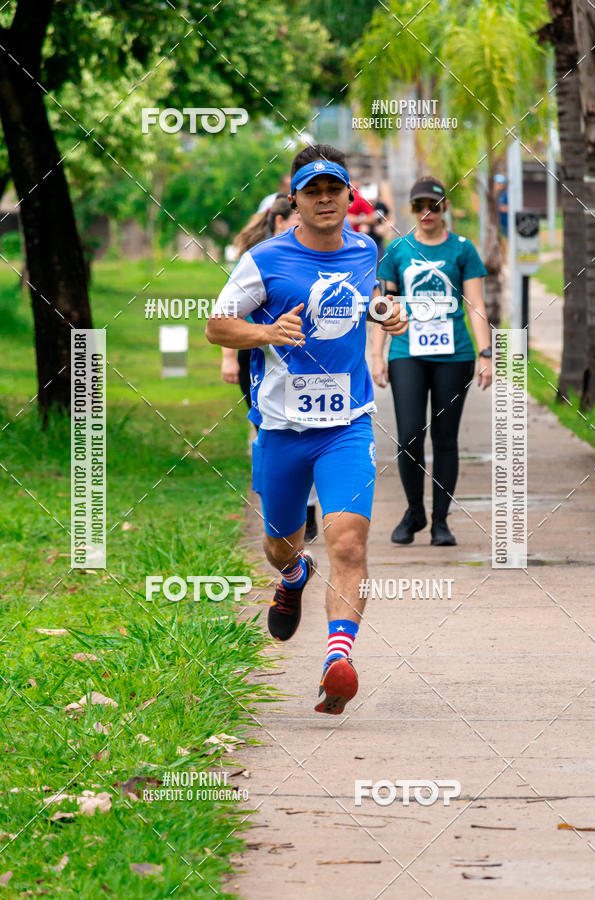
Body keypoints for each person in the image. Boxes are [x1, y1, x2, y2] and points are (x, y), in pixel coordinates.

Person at [207, 144, 407, 714]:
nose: (324, 199)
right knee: (278, 545)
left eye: (334, 190)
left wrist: (389, 314)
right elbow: (218, 328)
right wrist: (267, 334)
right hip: (281, 428)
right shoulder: (265, 260)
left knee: (348, 539)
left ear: (350, 197)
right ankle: (294, 575)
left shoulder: (366, 250)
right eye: (312, 191)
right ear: (294, 198)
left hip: (346, 424)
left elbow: (369, 305)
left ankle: (337, 662)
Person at [372, 176, 492, 547]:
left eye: (434, 205)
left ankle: (441, 521)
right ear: (411, 209)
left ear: (444, 208)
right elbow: (383, 307)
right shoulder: (398, 251)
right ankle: (414, 511)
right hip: (407, 351)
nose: (427, 212)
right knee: (409, 435)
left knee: (445, 438)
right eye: (419, 206)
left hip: (453, 355)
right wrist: (375, 354)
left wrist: (486, 352)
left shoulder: (461, 249)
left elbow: (474, 304)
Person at [220, 196, 320, 539]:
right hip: (257, 351)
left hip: (303, 351)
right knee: (269, 428)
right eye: (293, 217)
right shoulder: (260, 257)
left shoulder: (314, 251)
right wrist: (228, 357)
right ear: (278, 220)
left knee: (311, 430)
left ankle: (306, 507)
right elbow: (226, 315)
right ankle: (276, 500)